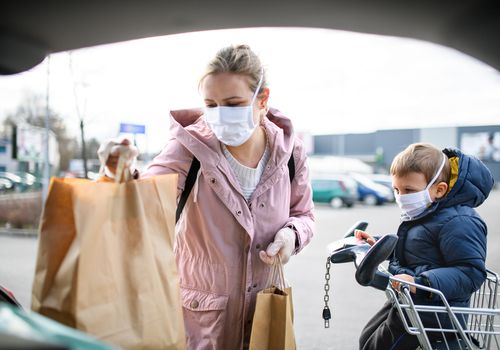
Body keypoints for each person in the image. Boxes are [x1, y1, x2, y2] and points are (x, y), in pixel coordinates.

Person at [100, 44, 315, 349]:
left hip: (265, 316)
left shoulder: (290, 152)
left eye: (233, 103)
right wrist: (117, 175)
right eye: (211, 104)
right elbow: (141, 199)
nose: (220, 115)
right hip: (200, 323)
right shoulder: (188, 147)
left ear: (262, 99)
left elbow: (304, 215)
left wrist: (291, 236)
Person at [356, 143, 494, 350]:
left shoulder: (459, 221)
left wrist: (421, 282)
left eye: (409, 190)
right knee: (367, 340)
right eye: (396, 189)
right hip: (412, 302)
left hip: (436, 314)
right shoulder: (427, 213)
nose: (401, 197)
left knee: (377, 347)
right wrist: (379, 244)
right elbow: (417, 250)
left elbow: (470, 272)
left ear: (439, 189)